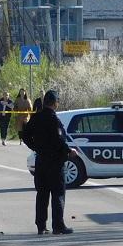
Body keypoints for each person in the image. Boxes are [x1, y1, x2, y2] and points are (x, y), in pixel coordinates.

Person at [22, 90, 73, 235]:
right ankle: (58, 226)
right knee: (58, 193)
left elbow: (25, 134)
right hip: (55, 162)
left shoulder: (36, 117)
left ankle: (41, 226)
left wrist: (35, 147)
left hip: (41, 161)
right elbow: (59, 139)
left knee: (42, 194)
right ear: (55, 103)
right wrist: (69, 151)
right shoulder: (53, 119)